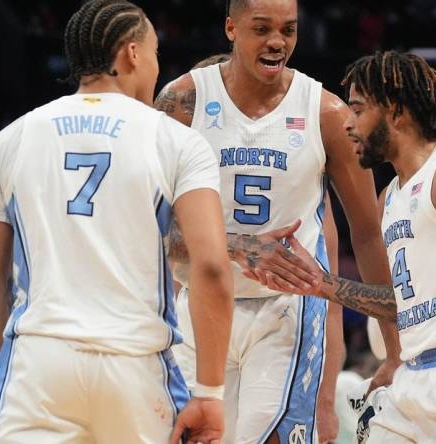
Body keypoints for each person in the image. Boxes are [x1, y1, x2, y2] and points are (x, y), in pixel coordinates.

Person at [0, 1, 233, 442]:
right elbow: (210, 268)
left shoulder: (9, 139)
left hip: (39, 363)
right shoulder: (178, 141)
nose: (155, 68)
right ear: (131, 54)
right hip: (134, 366)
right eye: (155, 54)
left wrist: (4, 374)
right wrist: (209, 391)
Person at [153, 1, 400, 442]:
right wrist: (235, 244)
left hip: (286, 311)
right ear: (231, 27)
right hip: (199, 303)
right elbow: (147, 229)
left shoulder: (326, 113)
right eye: (262, 28)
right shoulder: (182, 102)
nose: (277, 42)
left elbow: (365, 232)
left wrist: (393, 346)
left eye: (288, 30)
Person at [255, 50, 436, 443]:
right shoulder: (391, 198)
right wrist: (319, 283)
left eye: (358, 111)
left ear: (396, 113)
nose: (348, 125)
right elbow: (396, 302)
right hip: (412, 378)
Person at [168, 51, 347, 443]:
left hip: (281, 312)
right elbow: (165, 251)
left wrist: (326, 396)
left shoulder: (303, 180)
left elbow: (327, 291)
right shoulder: (189, 150)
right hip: (202, 312)